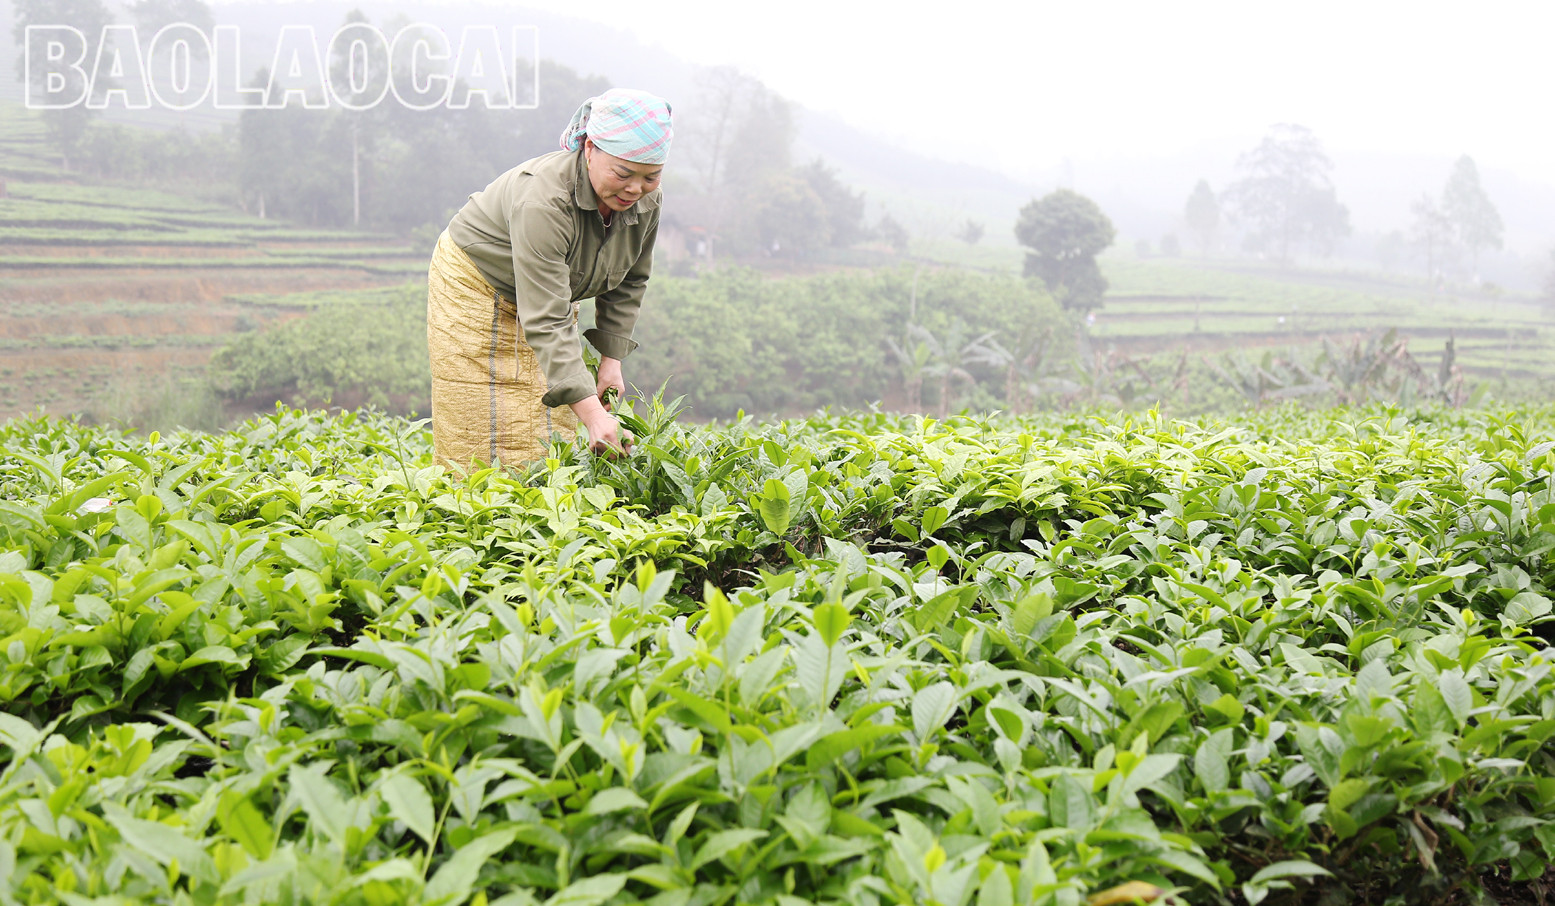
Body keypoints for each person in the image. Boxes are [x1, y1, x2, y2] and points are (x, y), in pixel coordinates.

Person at [425, 88, 671, 473]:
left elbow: (629, 280)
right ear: (590, 149)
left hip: (551, 288)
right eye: (623, 173)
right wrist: (593, 415)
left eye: (651, 176)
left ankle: (539, 509)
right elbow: (548, 321)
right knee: (479, 415)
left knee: (546, 411)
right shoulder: (544, 200)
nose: (635, 189)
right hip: (475, 281)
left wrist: (612, 360)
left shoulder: (645, 202)